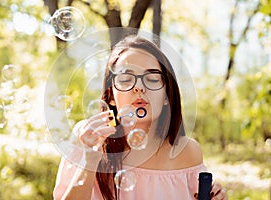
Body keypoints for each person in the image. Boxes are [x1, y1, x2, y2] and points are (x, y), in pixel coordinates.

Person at [53, 35, 228, 200]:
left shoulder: (187, 151)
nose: (139, 87)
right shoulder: (88, 137)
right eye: (126, 79)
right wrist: (89, 161)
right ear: (111, 96)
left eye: (152, 79)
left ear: (167, 96)